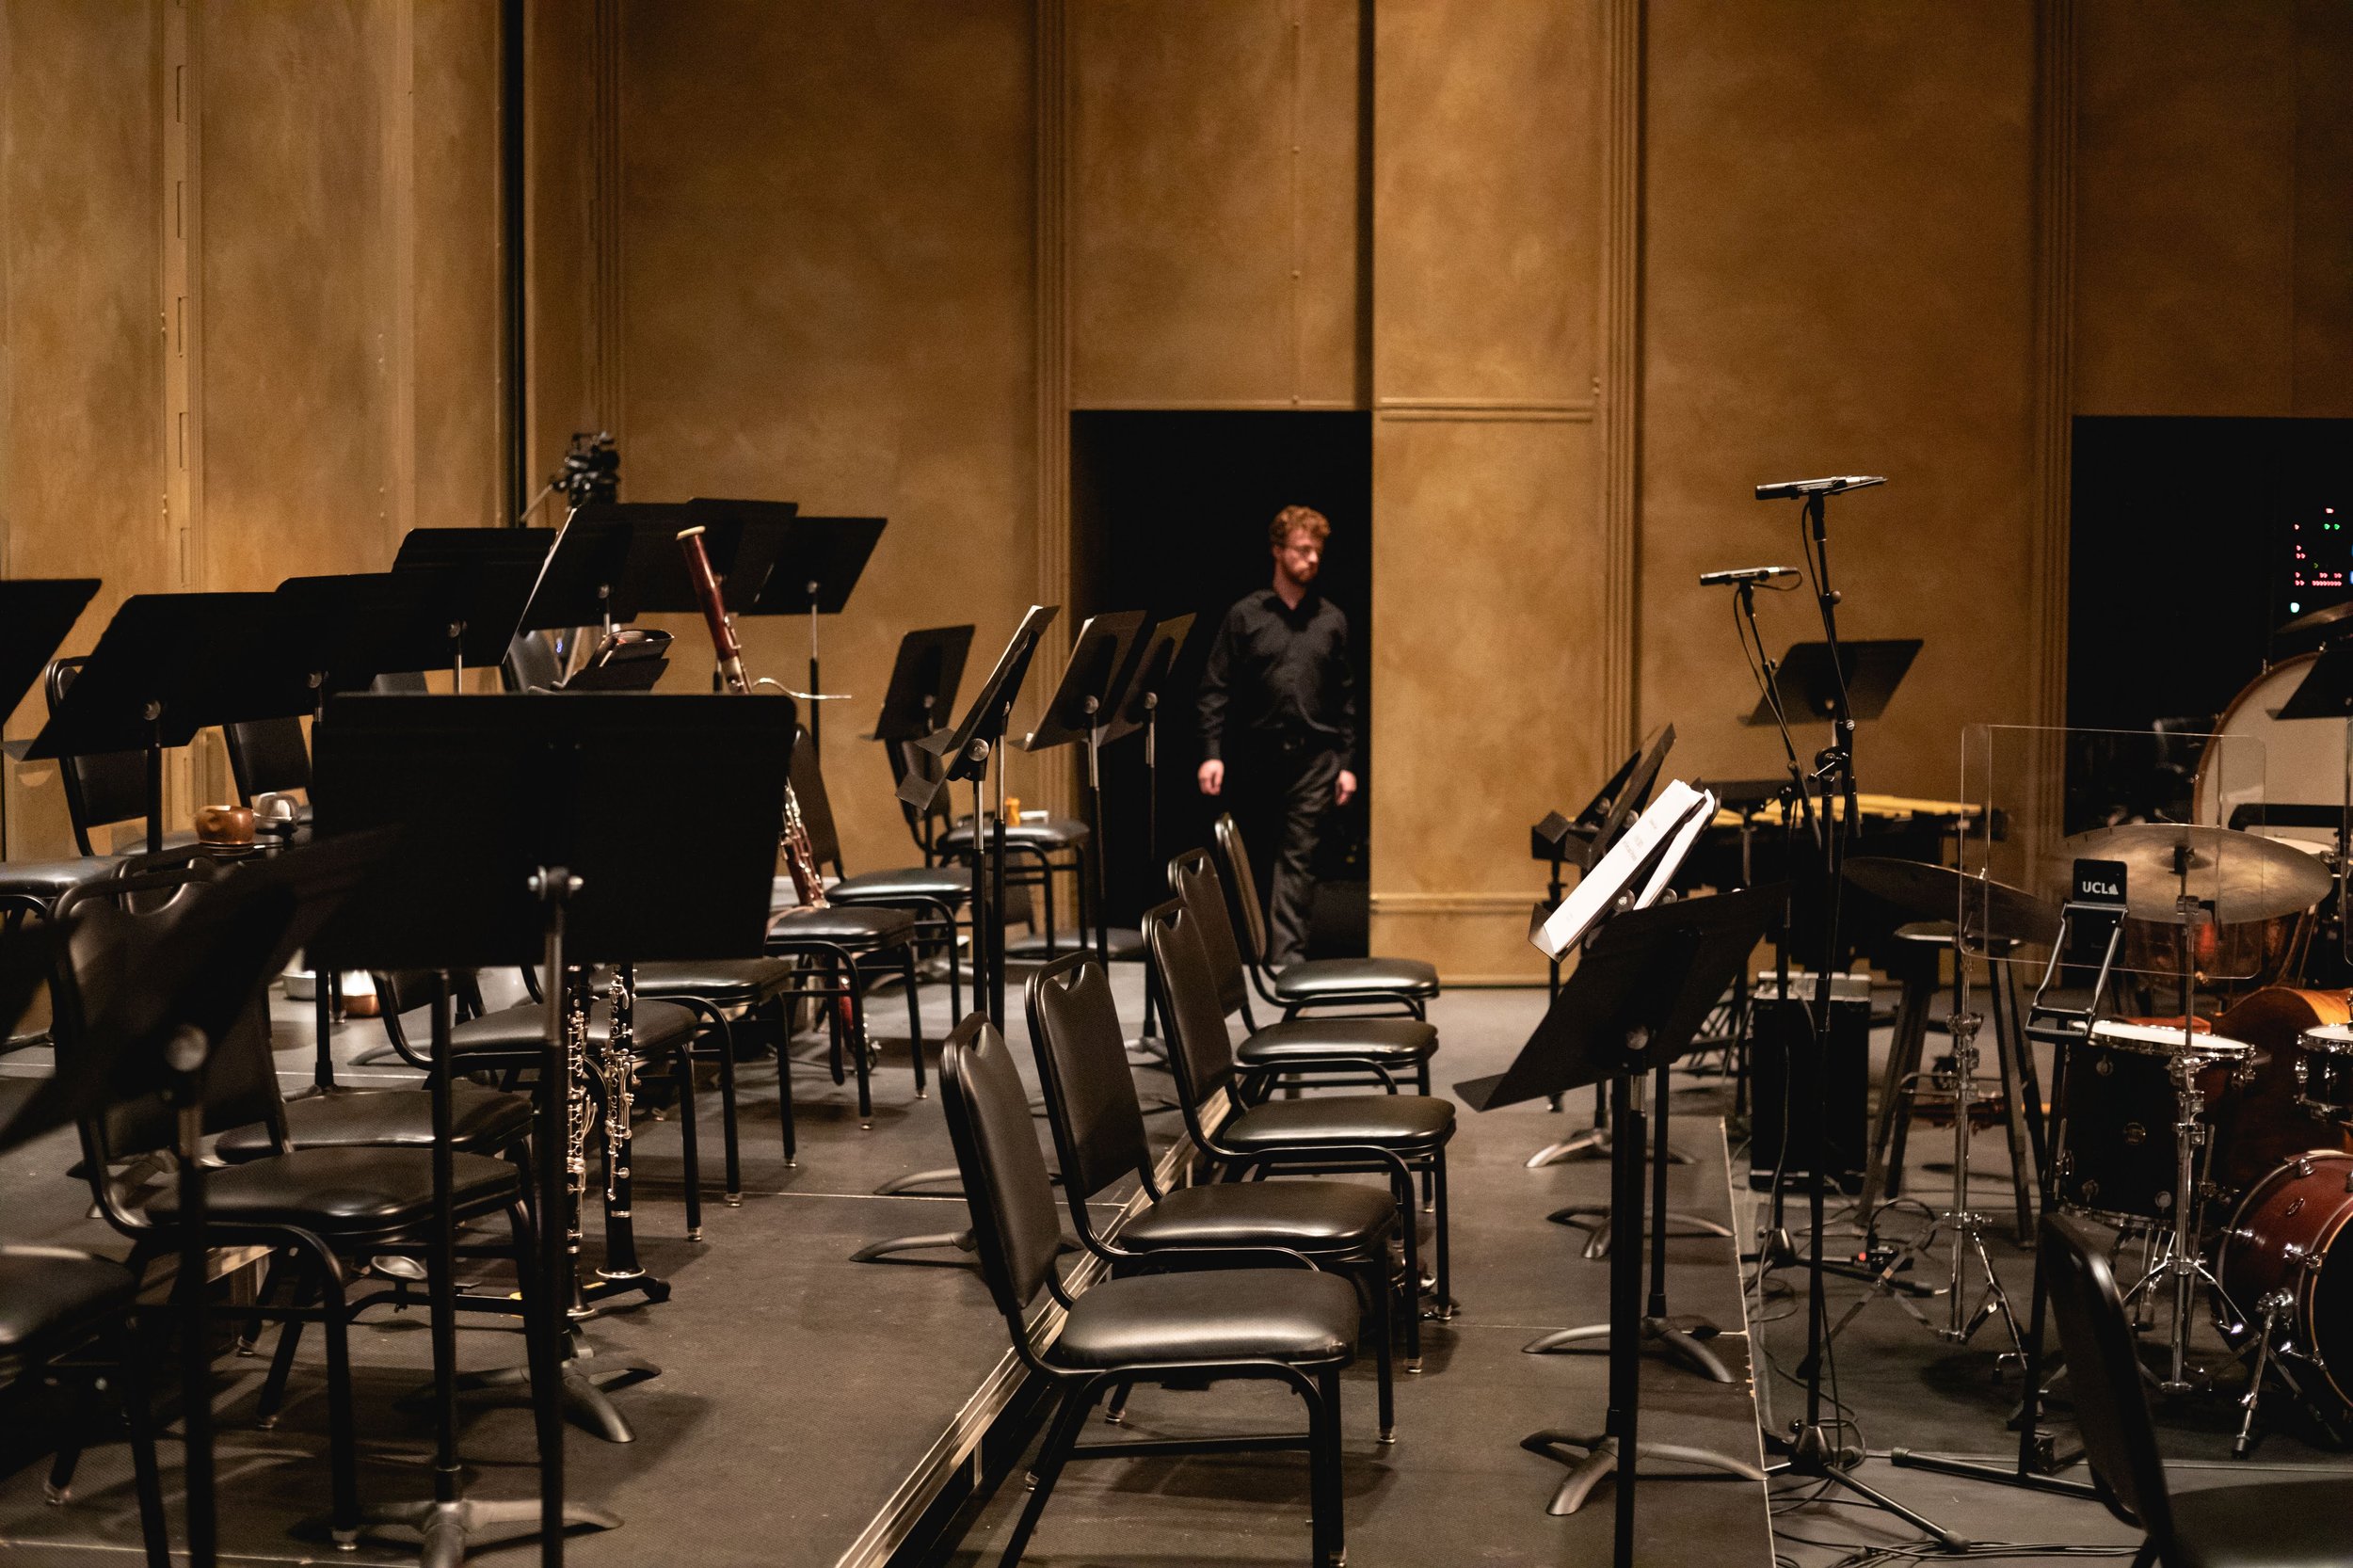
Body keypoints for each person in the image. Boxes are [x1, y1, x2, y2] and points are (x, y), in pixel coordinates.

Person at [1196, 504, 1359, 968]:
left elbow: (1346, 700)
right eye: (1303, 550)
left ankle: (1287, 961)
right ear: (1278, 550)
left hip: (1314, 761)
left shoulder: (1332, 620)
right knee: (1248, 858)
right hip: (1254, 756)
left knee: (1298, 862)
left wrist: (1347, 764)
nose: (1312, 560)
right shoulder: (1244, 616)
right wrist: (1211, 753)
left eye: (1317, 552)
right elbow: (1215, 688)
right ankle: (1242, 956)